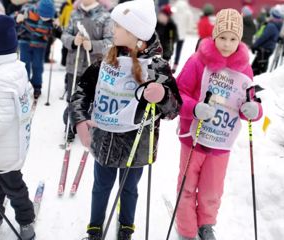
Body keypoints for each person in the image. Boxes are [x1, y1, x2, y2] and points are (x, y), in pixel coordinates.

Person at [70, 0, 182, 239]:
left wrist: (163, 96)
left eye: (119, 26)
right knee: (101, 186)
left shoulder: (156, 68)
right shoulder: (106, 60)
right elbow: (81, 92)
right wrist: (80, 121)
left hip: (137, 144)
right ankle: (95, 227)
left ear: (137, 34)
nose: (113, 29)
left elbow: (174, 109)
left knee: (129, 189)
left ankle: (126, 226)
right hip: (104, 141)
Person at [175, 9, 263, 240]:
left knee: (211, 189)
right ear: (214, 36)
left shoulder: (244, 68)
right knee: (187, 185)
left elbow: (249, 101)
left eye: (233, 39)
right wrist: (194, 108)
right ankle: (186, 228)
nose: (226, 44)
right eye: (222, 37)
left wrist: (254, 110)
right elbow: (178, 94)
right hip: (193, 136)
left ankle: (206, 224)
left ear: (240, 40)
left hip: (221, 141)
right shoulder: (197, 61)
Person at [0, 15, 35, 240]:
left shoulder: (1, 78)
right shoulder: (16, 69)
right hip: (11, 147)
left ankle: (26, 221)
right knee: (3, 187)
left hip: (4, 151)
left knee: (14, 189)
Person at [61, 0, 112, 141]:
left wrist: (93, 45)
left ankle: (90, 126)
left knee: (91, 100)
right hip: (75, 65)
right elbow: (64, 35)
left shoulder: (105, 16)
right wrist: (72, 41)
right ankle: (70, 125)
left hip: (94, 67)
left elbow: (111, 42)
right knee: (73, 99)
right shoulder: (74, 13)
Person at [16, 0, 55, 99]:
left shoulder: (51, 15)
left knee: (38, 65)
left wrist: (55, 29)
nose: (45, 18)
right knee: (25, 64)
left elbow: (52, 31)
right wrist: (18, 19)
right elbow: (15, 21)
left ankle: (37, 86)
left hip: (40, 44)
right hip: (25, 41)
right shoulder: (27, 10)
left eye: (48, 17)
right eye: (44, 16)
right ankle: (24, 85)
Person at [251, 4, 284, 75]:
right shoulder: (277, 24)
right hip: (268, 49)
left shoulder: (271, 26)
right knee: (260, 66)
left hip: (264, 49)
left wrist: (255, 45)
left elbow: (264, 37)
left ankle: (256, 81)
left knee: (257, 68)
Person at [171, 0, 193, 73]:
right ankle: (175, 65)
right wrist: (188, 29)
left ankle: (168, 63)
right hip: (182, 34)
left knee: (170, 48)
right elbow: (190, 21)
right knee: (178, 50)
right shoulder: (187, 10)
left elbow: (171, 19)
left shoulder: (175, 7)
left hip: (174, 33)